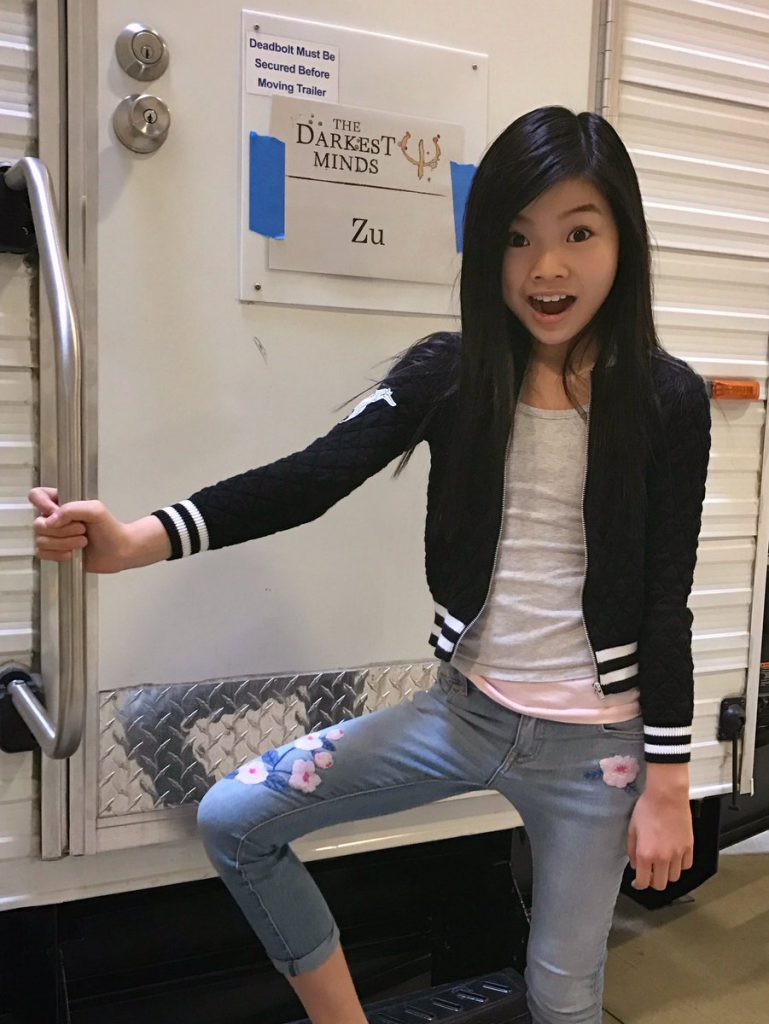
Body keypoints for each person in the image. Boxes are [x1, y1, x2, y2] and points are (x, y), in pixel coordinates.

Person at [29, 106, 711, 1024]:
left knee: (562, 995)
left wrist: (669, 780)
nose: (545, 268)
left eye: (578, 234)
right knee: (234, 820)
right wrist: (134, 539)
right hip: (463, 714)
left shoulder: (668, 399)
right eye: (516, 238)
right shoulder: (449, 374)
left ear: (624, 240)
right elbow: (312, 478)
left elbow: (666, 602)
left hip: (597, 756)